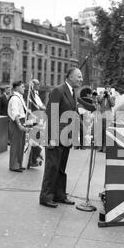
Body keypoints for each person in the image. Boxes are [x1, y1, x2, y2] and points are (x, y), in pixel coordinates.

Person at [39, 68, 82, 208]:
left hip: (66, 138)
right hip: (55, 137)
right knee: (52, 167)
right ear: (69, 76)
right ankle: (45, 197)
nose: (81, 79)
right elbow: (51, 114)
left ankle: (59, 195)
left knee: (61, 168)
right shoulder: (58, 90)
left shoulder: (73, 92)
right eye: (78, 77)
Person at [8, 81, 28, 173]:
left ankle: (19, 164)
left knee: (21, 144)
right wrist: (19, 125)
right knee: (16, 145)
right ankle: (14, 165)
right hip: (16, 123)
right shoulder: (15, 99)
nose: (24, 88)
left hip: (21, 121)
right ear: (16, 88)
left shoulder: (19, 98)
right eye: (22, 86)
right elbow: (15, 113)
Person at [97, 87, 115, 153]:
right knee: (100, 132)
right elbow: (99, 101)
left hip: (108, 117)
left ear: (109, 91)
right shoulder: (101, 96)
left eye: (108, 90)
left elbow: (112, 104)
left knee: (106, 132)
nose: (106, 91)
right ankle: (100, 148)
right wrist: (103, 95)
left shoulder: (111, 97)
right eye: (106, 90)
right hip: (101, 117)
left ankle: (105, 148)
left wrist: (109, 96)